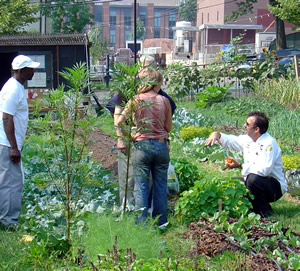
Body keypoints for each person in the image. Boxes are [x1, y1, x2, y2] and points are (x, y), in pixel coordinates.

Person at [105, 55, 176, 209]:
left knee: (146, 180)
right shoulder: (127, 89)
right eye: (144, 68)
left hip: (149, 141)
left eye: (151, 68)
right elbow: (117, 114)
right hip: (132, 135)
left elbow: (165, 124)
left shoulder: (161, 95)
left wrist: (166, 140)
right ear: (138, 69)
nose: (147, 71)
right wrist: (122, 138)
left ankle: (144, 212)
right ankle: (129, 208)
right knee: (129, 177)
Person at [204, 111, 287, 218]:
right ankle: (252, 207)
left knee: (253, 180)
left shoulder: (269, 144)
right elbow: (231, 141)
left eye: (247, 124)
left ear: (256, 129)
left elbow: (264, 170)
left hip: (274, 186)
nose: (244, 126)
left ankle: (263, 211)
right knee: (234, 182)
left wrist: (240, 165)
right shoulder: (249, 139)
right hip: (258, 180)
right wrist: (217, 134)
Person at [117, 69, 172, 226]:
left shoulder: (135, 100)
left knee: (140, 186)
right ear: (156, 84)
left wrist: (130, 135)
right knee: (160, 185)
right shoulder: (164, 101)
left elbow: (120, 122)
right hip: (161, 147)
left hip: (141, 147)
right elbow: (168, 127)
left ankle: (142, 224)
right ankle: (161, 222)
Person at [0, 55, 40, 229]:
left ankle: (7, 218)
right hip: (7, 144)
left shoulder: (15, 87)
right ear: (21, 70)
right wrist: (14, 147)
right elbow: (7, 118)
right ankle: (9, 222)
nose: (33, 71)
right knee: (11, 183)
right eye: (30, 68)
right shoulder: (13, 89)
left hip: (8, 143)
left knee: (9, 181)